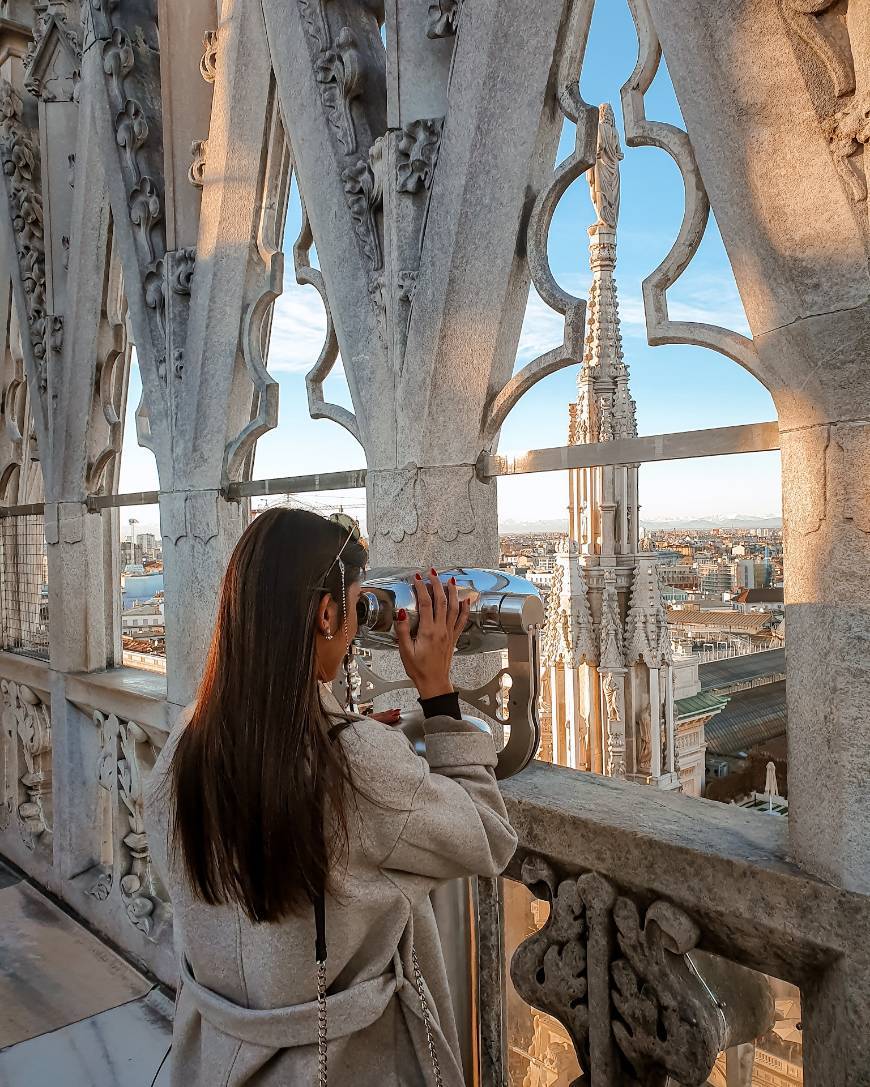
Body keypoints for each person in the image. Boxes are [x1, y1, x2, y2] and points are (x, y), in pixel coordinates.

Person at [145, 507, 517, 1086]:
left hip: (216, 1058)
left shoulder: (183, 750)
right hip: (340, 1066)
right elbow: (487, 838)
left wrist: (346, 726)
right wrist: (440, 696)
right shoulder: (357, 766)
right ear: (325, 613)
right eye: (356, 605)